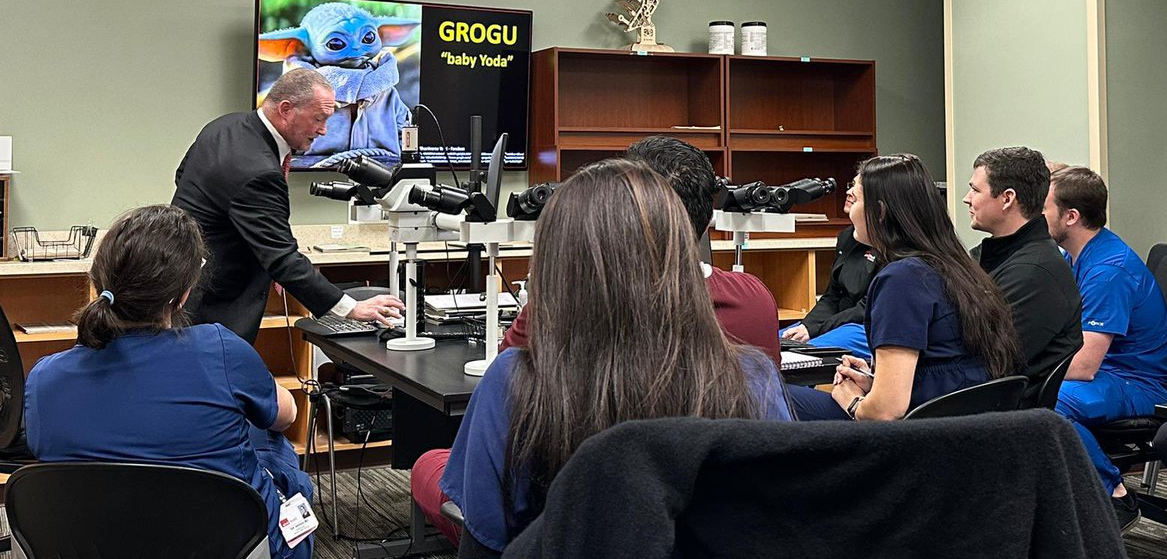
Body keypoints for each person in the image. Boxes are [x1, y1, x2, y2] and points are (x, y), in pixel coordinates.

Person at [413, 137, 782, 547]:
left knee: (433, 466)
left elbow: (489, 540)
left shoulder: (514, 381)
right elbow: (774, 515)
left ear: (558, 255)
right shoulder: (752, 374)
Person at [24, 205, 315, 559]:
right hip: (226, 544)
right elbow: (285, 416)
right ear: (182, 295)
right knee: (273, 445)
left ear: (99, 283)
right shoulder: (220, 350)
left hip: (95, 543)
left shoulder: (44, 378)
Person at [501, 136, 781, 365]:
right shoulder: (753, 299)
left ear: (618, 211)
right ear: (709, 220)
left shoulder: (565, 304)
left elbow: (508, 374)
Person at [172, 67, 403, 342]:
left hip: (181, 281)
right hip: (213, 305)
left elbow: (182, 176)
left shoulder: (223, 126)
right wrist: (351, 308)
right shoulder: (259, 172)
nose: (323, 130)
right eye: (318, 119)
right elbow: (281, 258)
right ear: (286, 109)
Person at [789, 154, 1022, 422]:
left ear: (879, 212)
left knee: (770, 393)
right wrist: (875, 380)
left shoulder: (901, 280)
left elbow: (885, 412)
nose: (849, 206)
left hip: (918, 439)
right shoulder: (957, 267)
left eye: (855, 198)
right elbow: (943, 369)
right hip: (967, 429)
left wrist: (851, 400)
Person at [1044, 166, 1167, 532]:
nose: (1038, 215)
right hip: (1107, 374)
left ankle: (1114, 493)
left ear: (1071, 217)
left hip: (1136, 383)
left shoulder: (1108, 270)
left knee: (1047, 401)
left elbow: (1084, 366)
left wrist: (1025, 366)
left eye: (1044, 208)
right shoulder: (1078, 255)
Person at [964, 146, 1082, 406]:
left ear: (1007, 199)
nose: (966, 198)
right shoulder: (991, 256)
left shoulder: (1036, 274)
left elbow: (984, 363)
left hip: (995, 418)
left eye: (975, 190)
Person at [779, 176, 876, 358]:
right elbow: (832, 295)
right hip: (838, 321)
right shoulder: (847, 237)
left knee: (801, 355)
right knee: (771, 344)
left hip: (865, 325)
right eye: (851, 184)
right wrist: (808, 326)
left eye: (856, 187)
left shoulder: (892, 248)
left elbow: (868, 307)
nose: (849, 192)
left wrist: (818, 329)